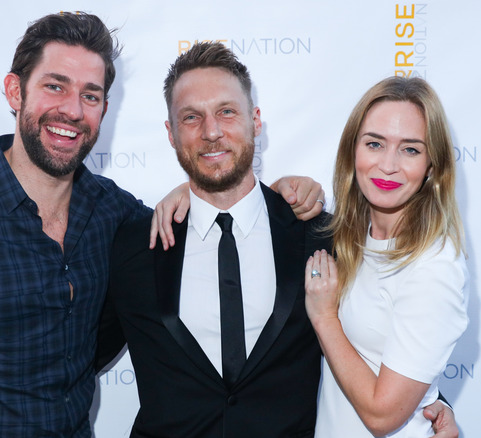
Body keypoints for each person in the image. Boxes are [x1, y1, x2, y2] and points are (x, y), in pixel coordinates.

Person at [0, 12, 322, 437]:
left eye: (90, 95)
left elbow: (214, 205)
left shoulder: (114, 214)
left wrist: (207, 185)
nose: (71, 110)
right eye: (55, 86)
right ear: (14, 92)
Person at [97, 42, 458, 438]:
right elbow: (79, 357)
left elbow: (385, 339)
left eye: (227, 112)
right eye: (191, 117)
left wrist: (430, 400)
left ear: (255, 120)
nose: (212, 131)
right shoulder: (132, 247)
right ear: (171, 133)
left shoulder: (323, 237)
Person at [304, 76, 468, 437]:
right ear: (353, 151)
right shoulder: (350, 238)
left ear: (432, 166)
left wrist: (325, 318)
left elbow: (383, 416)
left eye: (410, 149)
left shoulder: (433, 267)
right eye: (375, 144)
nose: (388, 165)